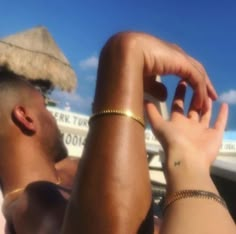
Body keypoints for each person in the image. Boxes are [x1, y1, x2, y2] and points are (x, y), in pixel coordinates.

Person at [61, 31, 235, 234]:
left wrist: (121, 59)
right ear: (26, 118)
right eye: (42, 106)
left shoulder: (47, 192)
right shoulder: (38, 197)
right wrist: (190, 163)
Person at [0, 69, 79, 233]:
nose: (52, 117)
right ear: (25, 117)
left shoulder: (71, 169)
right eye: (44, 106)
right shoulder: (35, 202)